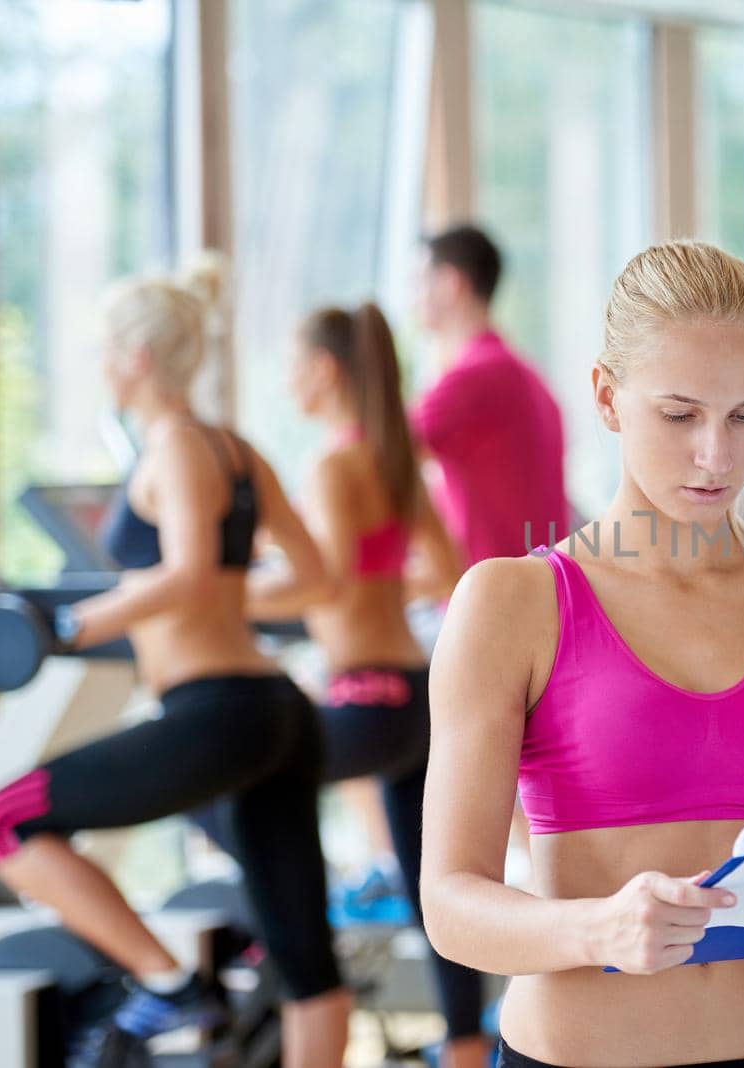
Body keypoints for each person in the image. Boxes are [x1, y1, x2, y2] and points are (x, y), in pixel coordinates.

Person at [420, 241, 744, 1068]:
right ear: (607, 396)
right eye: (679, 416)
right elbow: (450, 905)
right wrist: (593, 926)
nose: (717, 455)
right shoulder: (512, 604)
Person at [0, 269, 352, 1067]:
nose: (100, 363)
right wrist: (219, 598)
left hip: (219, 711)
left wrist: (71, 625)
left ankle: (169, 986)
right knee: (306, 958)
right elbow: (316, 578)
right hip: (274, 709)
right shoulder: (234, 448)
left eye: (106, 349)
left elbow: (183, 572)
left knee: (3, 819)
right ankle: (181, 988)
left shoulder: (175, 447)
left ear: (139, 356)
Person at [284, 301, 484, 1067]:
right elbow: (445, 565)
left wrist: (235, 593)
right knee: (440, 889)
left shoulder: (332, 463)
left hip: (363, 693)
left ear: (325, 369)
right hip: (414, 693)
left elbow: (324, 580)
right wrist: (378, 584)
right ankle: (465, 1048)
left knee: (245, 790)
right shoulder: (392, 458)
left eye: (292, 364)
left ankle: (309, 959)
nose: (286, 380)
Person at [411, 224, 568, 565]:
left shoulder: (475, 377)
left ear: (451, 284)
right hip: (532, 587)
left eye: (420, 281)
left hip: (494, 599)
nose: (414, 296)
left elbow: (380, 450)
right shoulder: (524, 375)